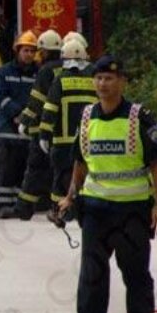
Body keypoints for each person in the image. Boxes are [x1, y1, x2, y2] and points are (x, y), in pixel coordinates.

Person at [57, 55, 157, 313]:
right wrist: (70, 196)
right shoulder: (86, 118)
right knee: (92, 276)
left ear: (122, 82)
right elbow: (80, 164)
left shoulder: (138, 117)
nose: (103, 84)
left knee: (135, 274)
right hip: (95, 210)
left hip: (132, 211)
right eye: (99, 78)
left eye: (109, 78)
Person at [0, 29, 64, 219]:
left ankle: (23, 208)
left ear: (44, 51)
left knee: (35, 169)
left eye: (38, 50)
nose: (37, 55)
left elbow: (36, 101)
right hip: (64, 132)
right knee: (59, 171)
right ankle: (61, 208)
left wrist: (24, 122)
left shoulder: (45, 71)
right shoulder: (68, 70)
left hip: (42, 130)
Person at [39, 39, 97, 221]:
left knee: (60, 178)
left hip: (63, 141)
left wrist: (44, 135)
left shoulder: (61, 79)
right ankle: (83, 212)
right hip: (89, 139)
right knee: (86, 177)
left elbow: (50, 109)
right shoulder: (94, 80)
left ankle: (59, 212)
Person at [0, 31, 38, 214]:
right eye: (26, 50)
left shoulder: (39, 73)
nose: (29, 55)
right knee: (7, 168)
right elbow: (1, 99)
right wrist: (18, 113)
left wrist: (28, 117)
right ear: (17, 51)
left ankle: (20, 205)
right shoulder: (4, 72)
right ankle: (4, 205)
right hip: (7, 130)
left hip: (28, 130)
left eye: (32, 51)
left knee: (24, 168)